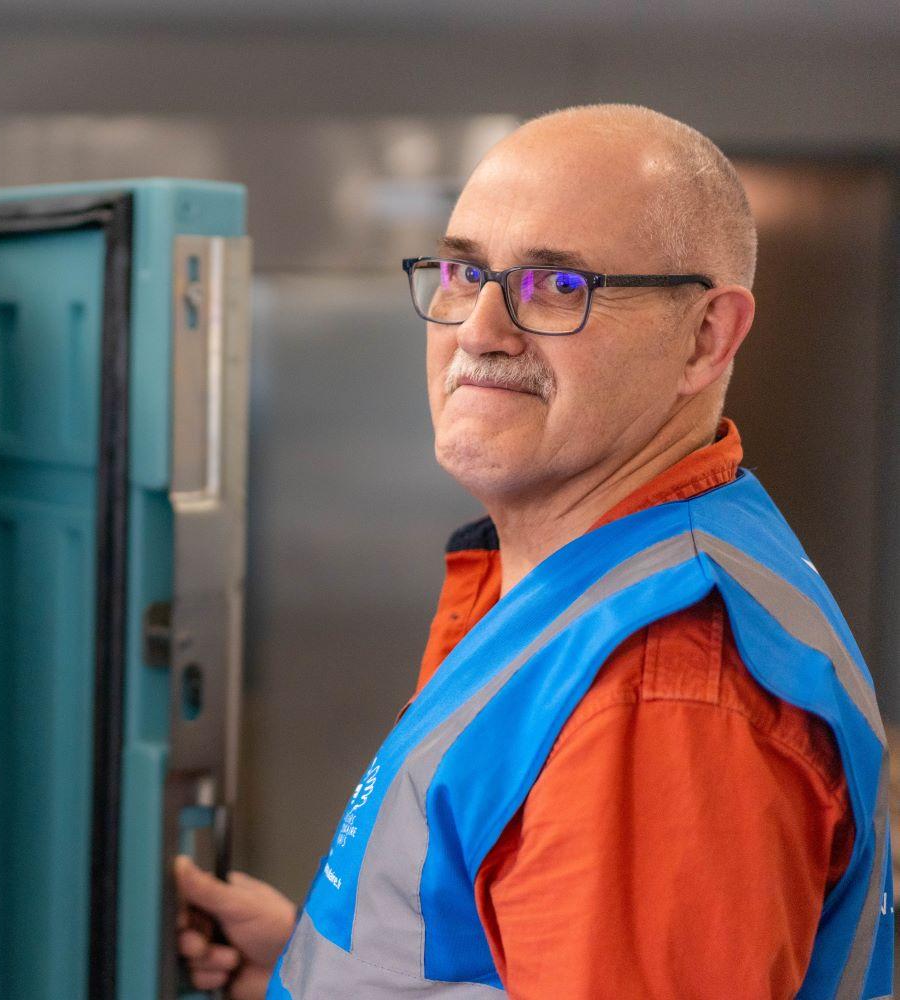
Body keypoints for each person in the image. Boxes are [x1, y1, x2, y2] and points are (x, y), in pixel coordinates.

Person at [175, 104, 892, 999]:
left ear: (706, 337)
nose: (478, 330)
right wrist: (305, 972)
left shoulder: (658, 689)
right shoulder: (577, 584)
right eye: (464, 270)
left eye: (557, 287)